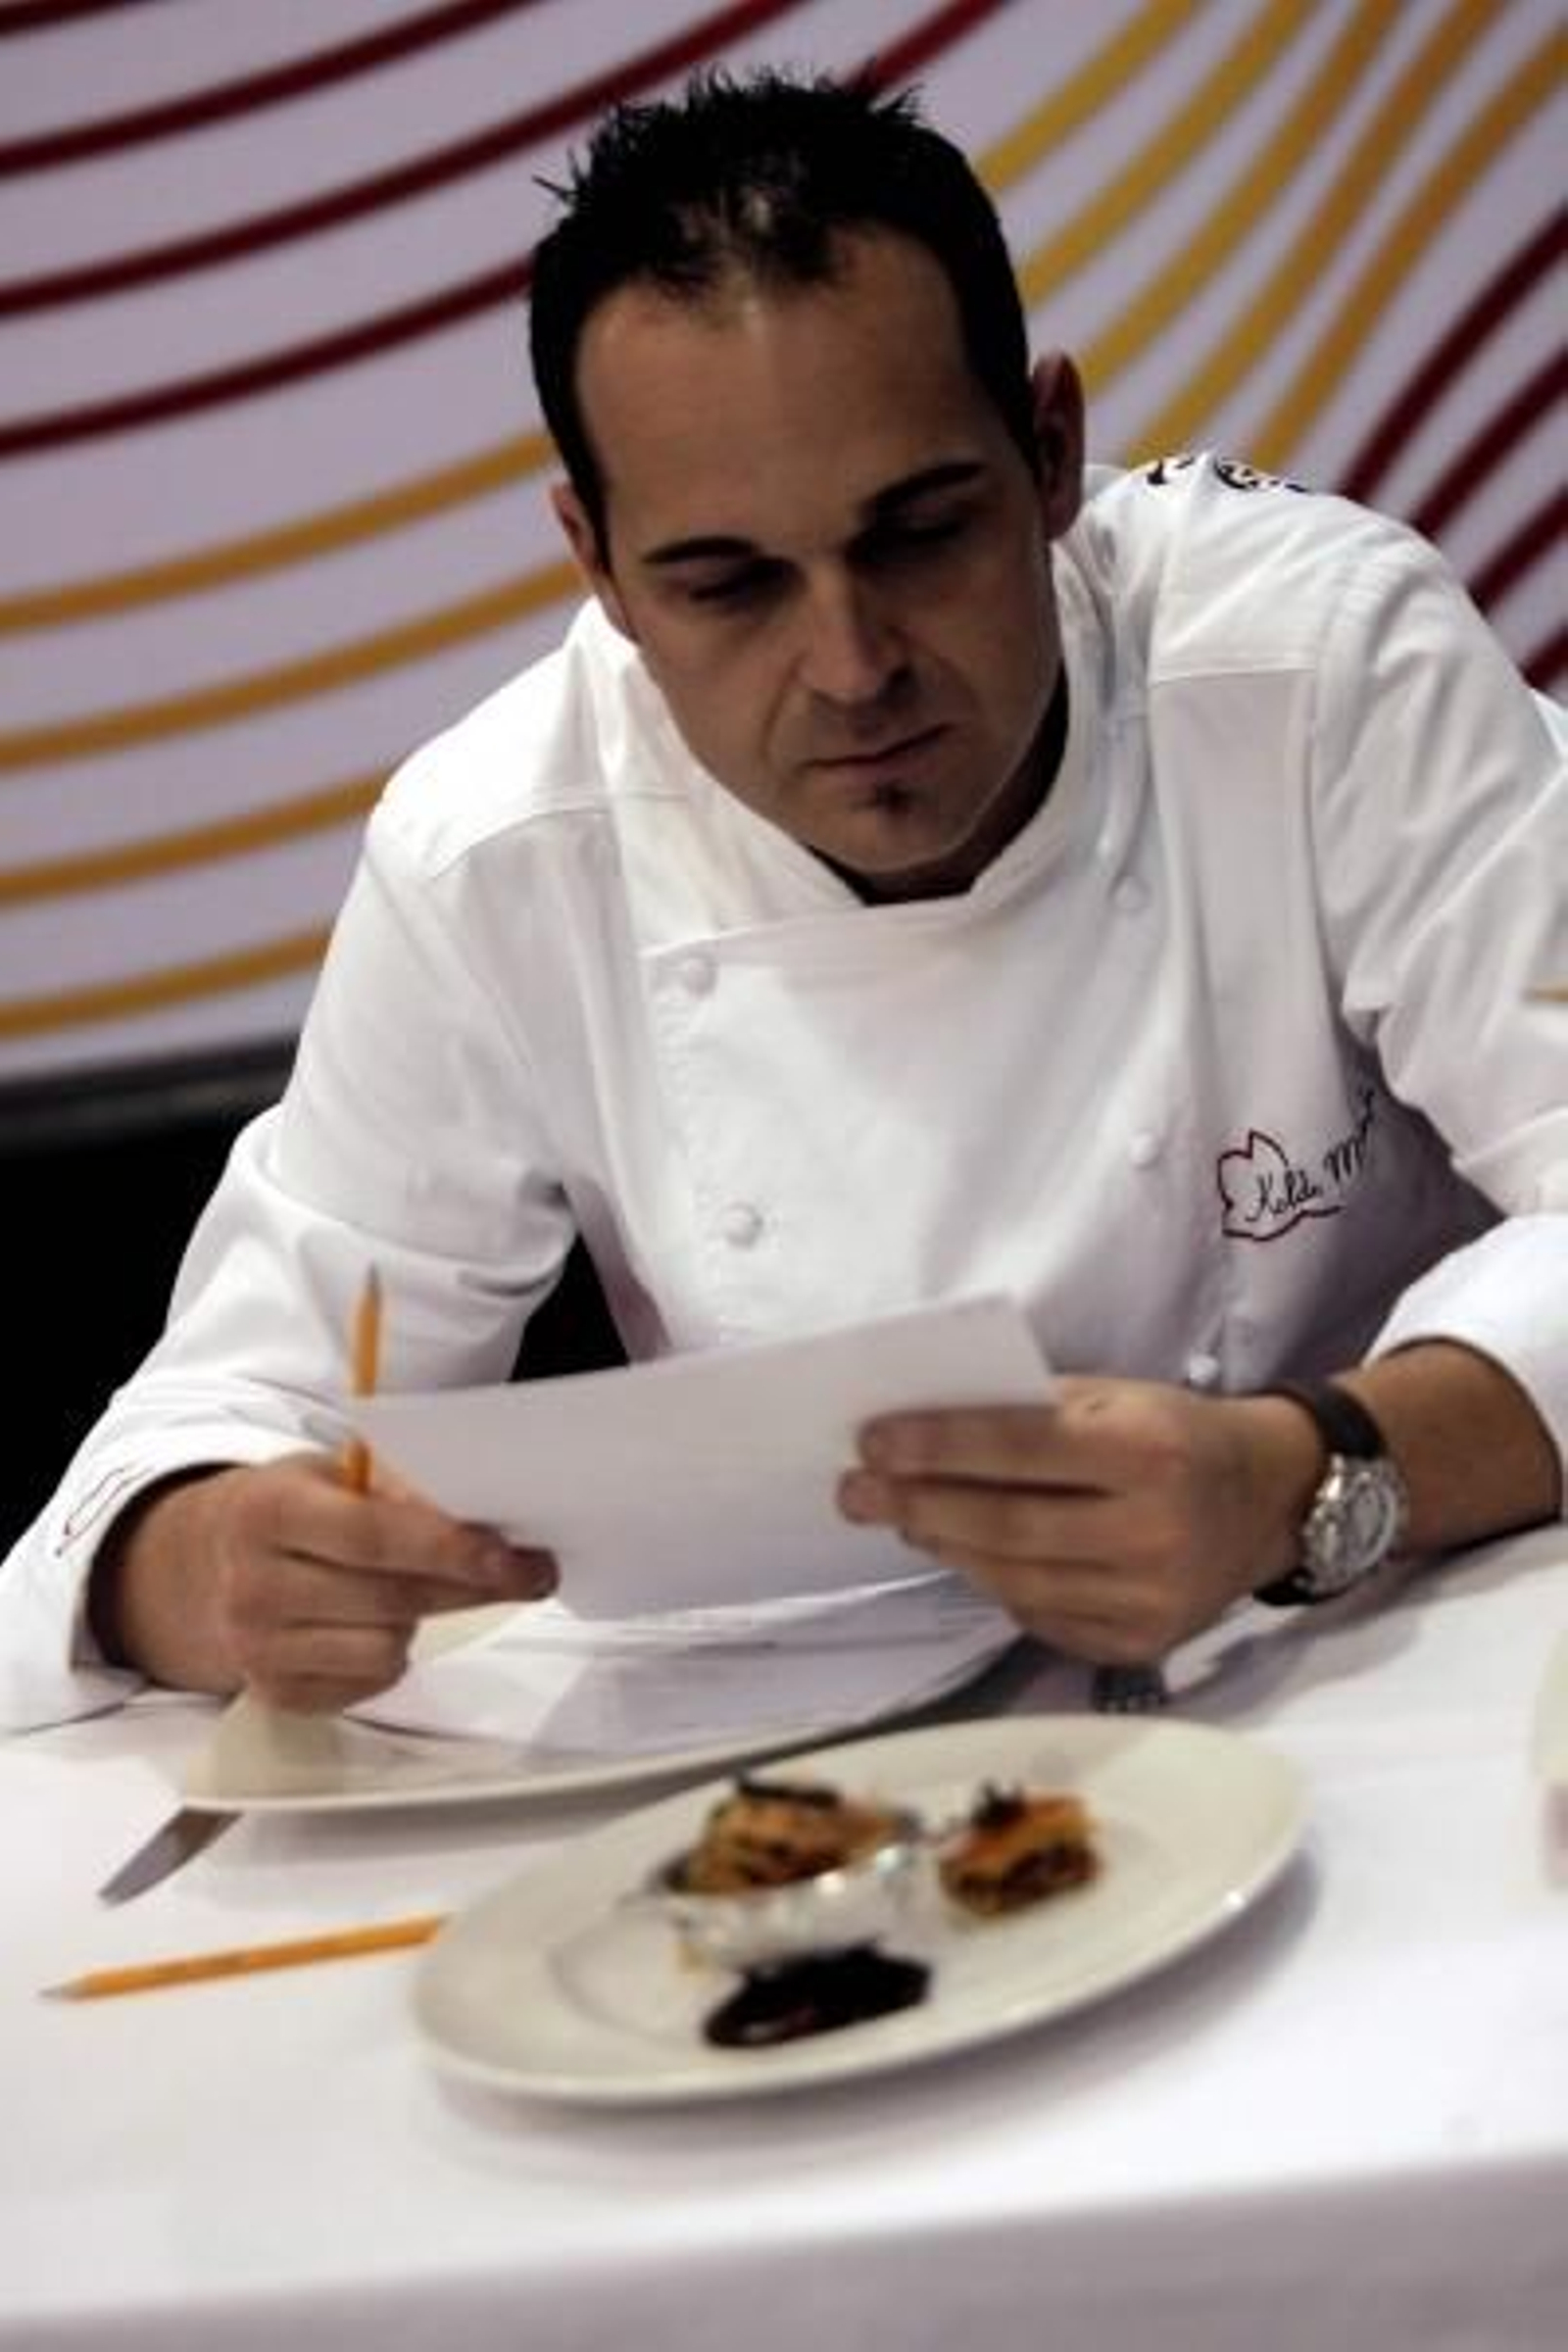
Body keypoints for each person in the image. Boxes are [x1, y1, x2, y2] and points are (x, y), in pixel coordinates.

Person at [2, 68, 1563, 1731]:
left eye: (918, 533)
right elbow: (214, 1428)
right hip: (835, 1782)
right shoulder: (500, 852)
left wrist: (1301, 1479)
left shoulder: (1311, 668)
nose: (852, 666)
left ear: (1048, 454)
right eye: (727, 583)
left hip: (1400, 1657)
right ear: (596, 565)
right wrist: (228, 1560)